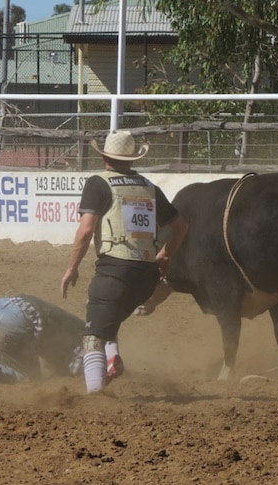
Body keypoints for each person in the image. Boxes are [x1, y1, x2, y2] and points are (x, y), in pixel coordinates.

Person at [61, 130, 188, 394]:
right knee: (107, 316)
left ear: (105, 158)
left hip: (114, 270)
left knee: (92, 335)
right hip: (146, 276)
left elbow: (86, 230)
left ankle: (95, 395)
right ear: (132, 160)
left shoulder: (99, 183)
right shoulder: (149, 187)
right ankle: (112, 357)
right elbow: (181, 225)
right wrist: (166, 254)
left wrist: (71, 268)